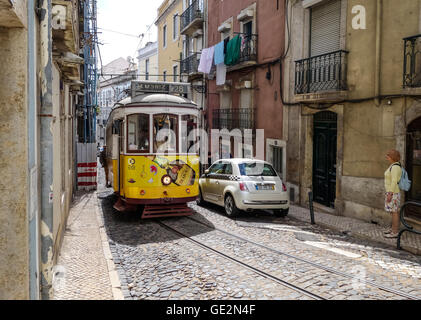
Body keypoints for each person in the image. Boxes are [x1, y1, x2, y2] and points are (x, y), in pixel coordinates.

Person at [383, 149, 403, 238]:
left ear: (393, 157)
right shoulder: (394, 166)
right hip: (392, 192)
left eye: (388, 155)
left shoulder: (395, 167)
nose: (386, 157)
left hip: (393, 193)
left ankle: (395, 232)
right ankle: (393, 229)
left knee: (394, 212)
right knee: (392, 212)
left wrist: (390, 194)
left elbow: (394, 181)